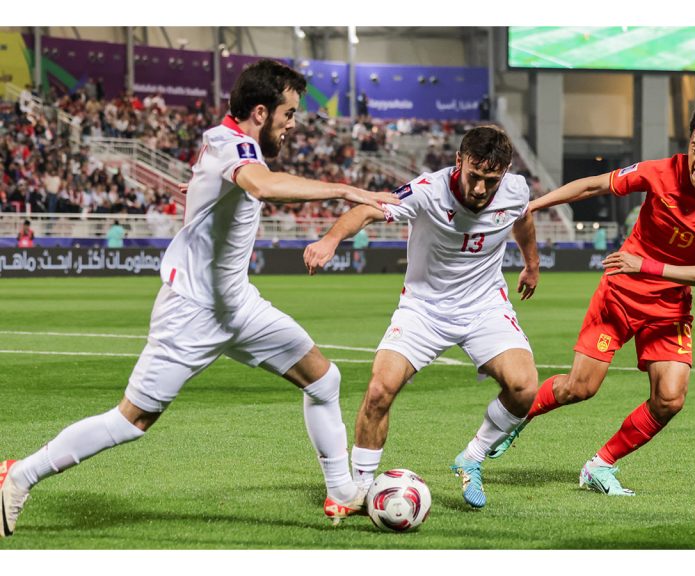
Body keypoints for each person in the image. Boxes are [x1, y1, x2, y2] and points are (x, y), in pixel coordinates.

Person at [0, 59, 399, 539]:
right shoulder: (235, 146)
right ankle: (18, 476)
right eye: (288, 114)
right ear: (260, 111)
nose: (293, 125)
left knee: (323, 378)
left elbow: (229, 184)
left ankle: (341, 492)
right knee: (133, 420)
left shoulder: (229, 140)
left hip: (237, 305)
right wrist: (346, 189)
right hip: (192, 311)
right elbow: (263, 185)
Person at [489, 105, 695, 496]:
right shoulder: (661, 171)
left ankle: (600, 466)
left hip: (668, 306)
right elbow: (593, 185)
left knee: (670, 398)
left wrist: (644, 265)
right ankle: (520, 414)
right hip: (620, 294)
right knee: (579, 388)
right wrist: (533, 206)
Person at [304, 125, 540, 509]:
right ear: (458, 162)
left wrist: (532, 264)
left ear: (506, 172)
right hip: (424, 309)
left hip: (484, 307)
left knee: (525, 388)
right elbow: (369, 210)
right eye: (475, 177)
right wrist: (331, 239)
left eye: (491, 180)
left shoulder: (515, 190)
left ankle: (473, 457)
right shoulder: (427, 190)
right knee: (380, 389)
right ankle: (359, 489)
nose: (481, 189)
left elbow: (523, 219)